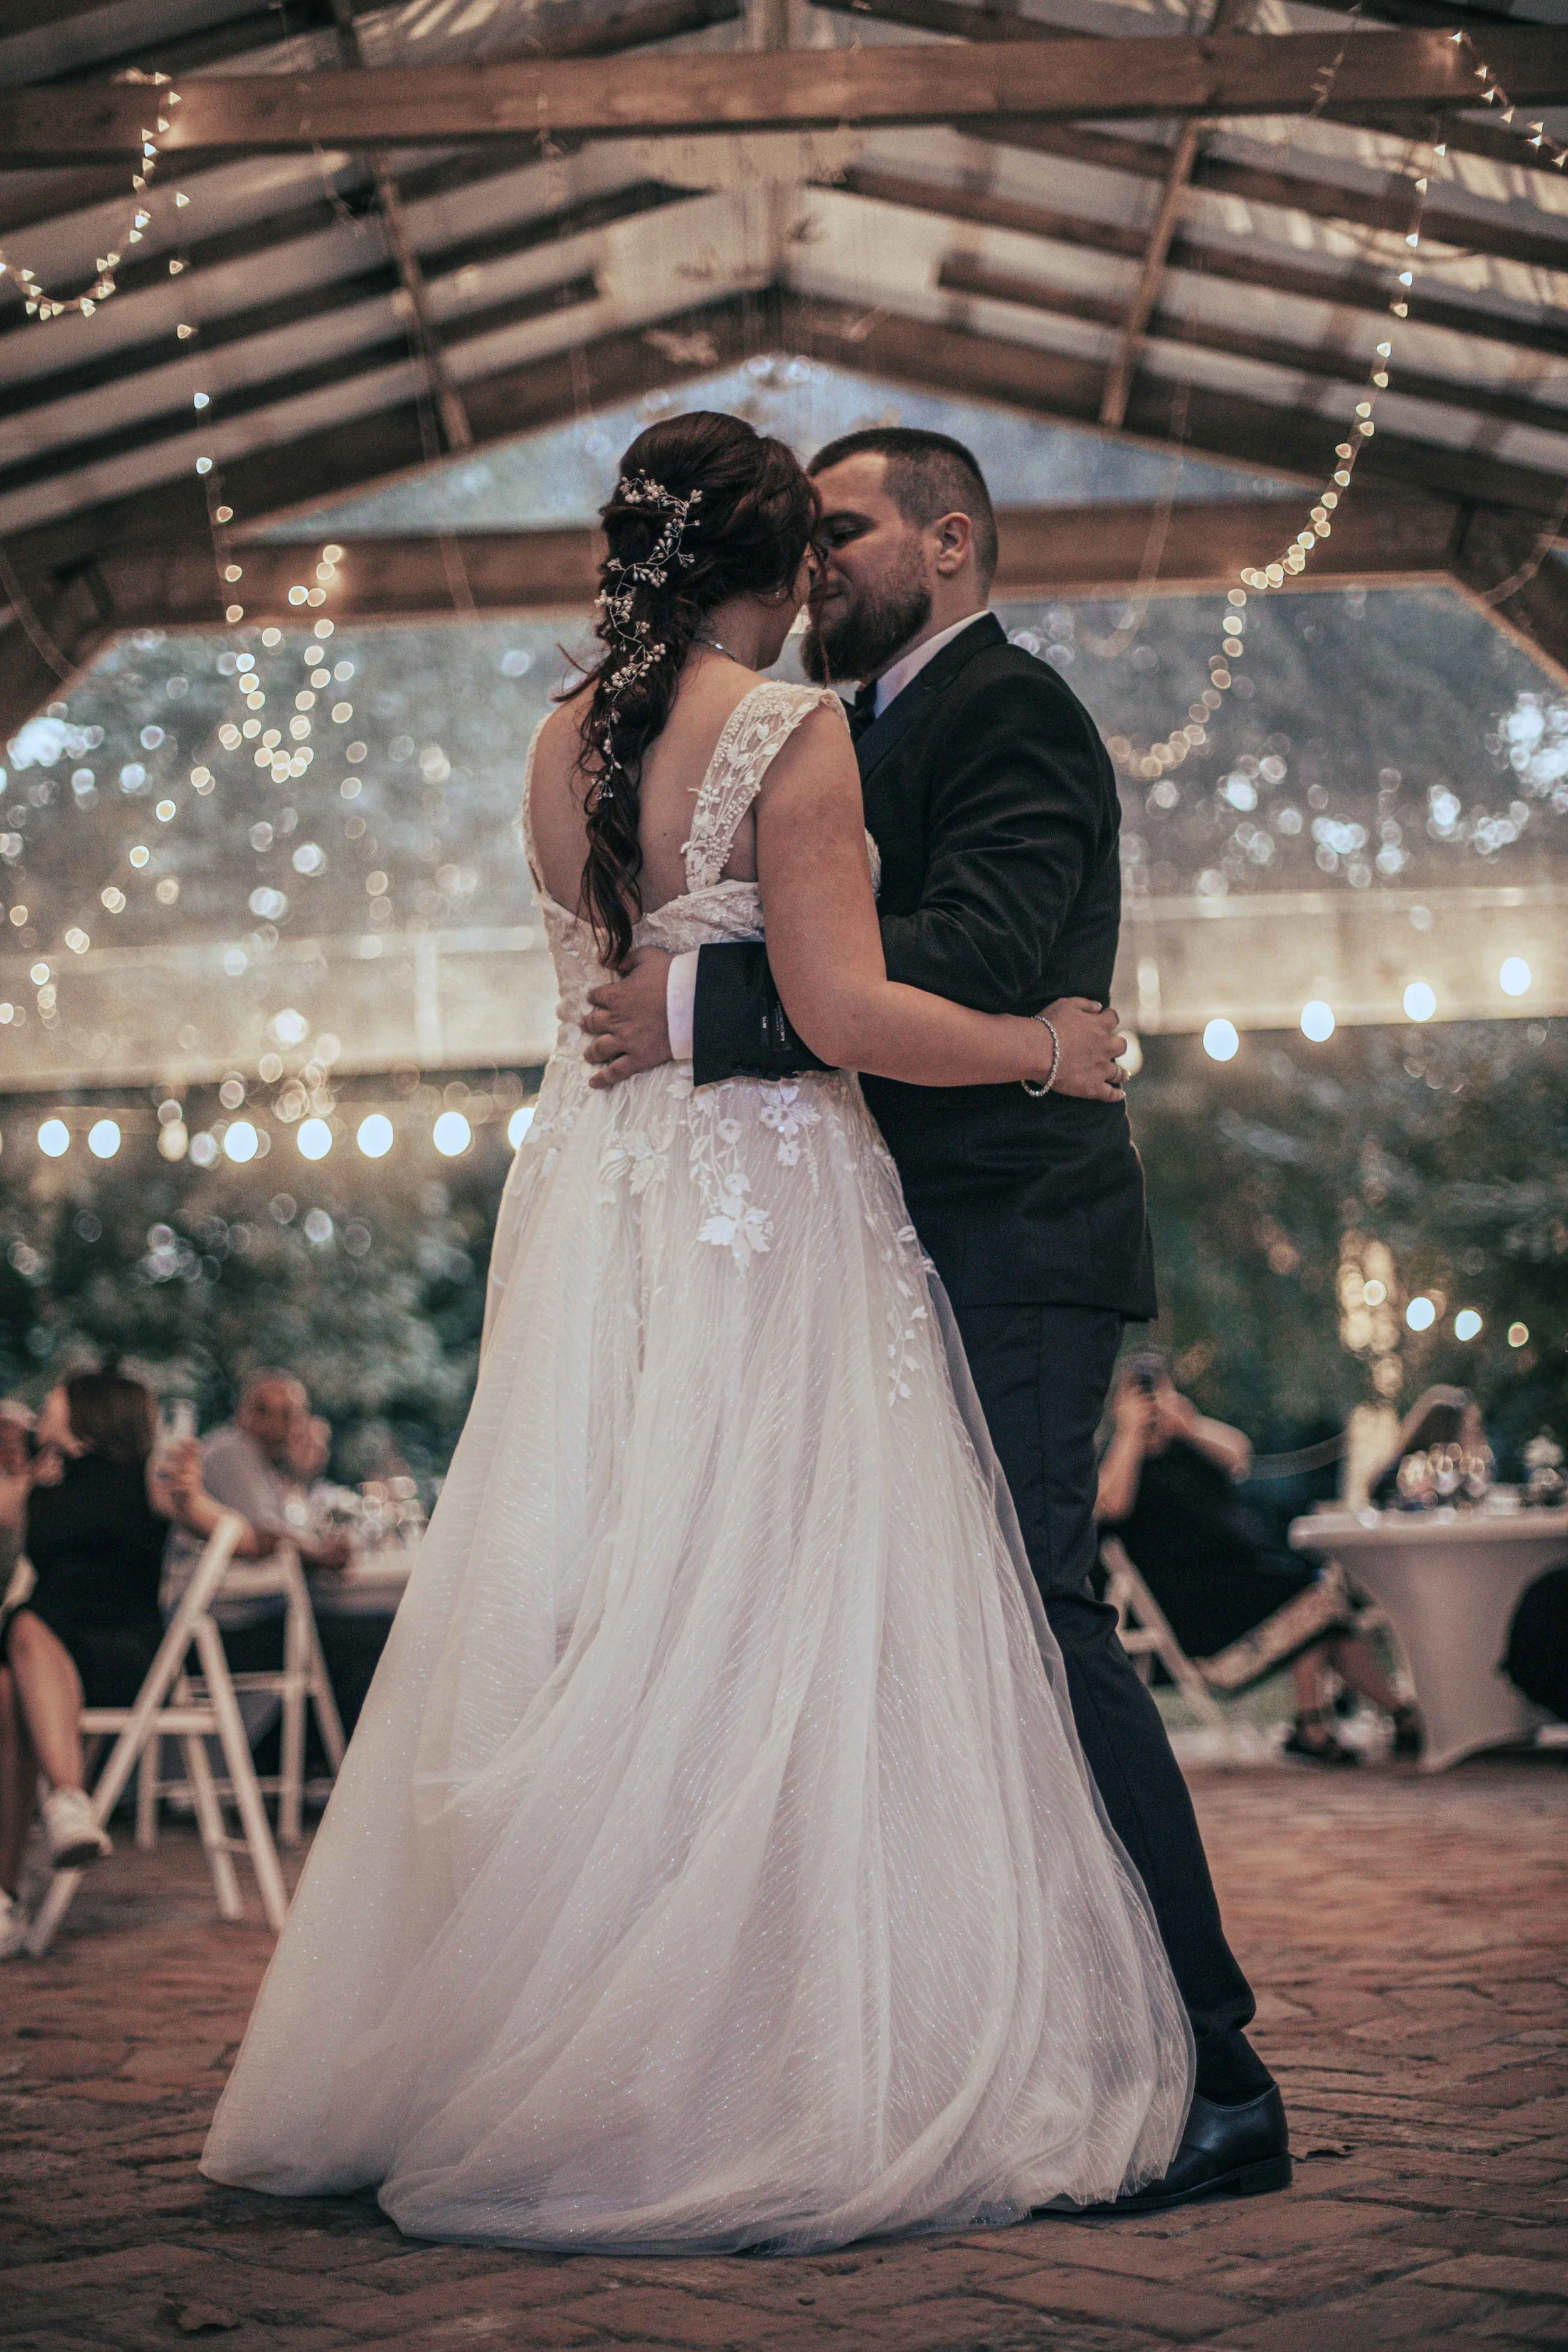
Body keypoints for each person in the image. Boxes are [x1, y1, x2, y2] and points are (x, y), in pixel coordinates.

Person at [202, 411, 1196, 2249]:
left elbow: (643, 977)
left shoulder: (558, 739)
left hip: (614, 1202)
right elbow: (849, 1008)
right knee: (800, 1592)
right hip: (776, 1201)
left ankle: (593, 2027)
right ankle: (783, 2049)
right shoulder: (786, 727)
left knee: (643, 1588)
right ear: (783, 563)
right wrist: (1050, 1048)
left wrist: (685, 1010)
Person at [575, 425, 1288, 2210]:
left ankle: (1218, 2064)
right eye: (800, 534)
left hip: (1013, 1233)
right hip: (876, 1236)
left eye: (847, 528)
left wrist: (695, 1011)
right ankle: (984, 2030)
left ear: (951, 541)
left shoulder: (1011, 713)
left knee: (1040, 1619)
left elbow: (968, 954)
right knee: (908, 1638)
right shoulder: (832, 723)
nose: (814, 561)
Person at [0, 1371, 257, 1958]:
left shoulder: (150, 1476)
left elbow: (234, 1536)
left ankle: (58, 1811)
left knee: (23, 1627)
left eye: (56, 1396)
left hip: (123, 1651)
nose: (45, 1404)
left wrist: (190, 1496)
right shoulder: (43, 1479)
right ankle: (21, 1874)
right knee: (6, 1684)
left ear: (89, 1408)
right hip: (44, 1653)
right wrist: (17, 1474)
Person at [1097, 1357, 1419, 1764]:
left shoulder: (1188, 1443)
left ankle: (1335, 1723)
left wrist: (1188, 1424)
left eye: (1158, 1391)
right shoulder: (1114, 1458)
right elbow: (1110, 1505)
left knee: (1320, 1602)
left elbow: (1238, 1454)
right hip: (1194, 1606)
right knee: (1313, 1598)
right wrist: (1130, 1432)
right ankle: (1369, 1718)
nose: (1151, 1403)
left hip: (1240, 1582)